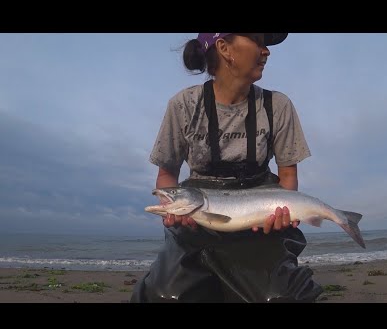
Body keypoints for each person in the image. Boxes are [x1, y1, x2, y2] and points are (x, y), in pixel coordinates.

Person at [131, 33, 323, 303]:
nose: (266, 51)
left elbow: (288, 177)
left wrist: (282, 214)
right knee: (164, 295)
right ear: (224, 48)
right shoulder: (183, 106)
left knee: (280, 297)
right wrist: (175, 211)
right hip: (197, 227)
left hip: (259, 229)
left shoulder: (277, 106)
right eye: (258, 40)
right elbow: (166, 175)